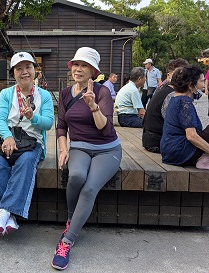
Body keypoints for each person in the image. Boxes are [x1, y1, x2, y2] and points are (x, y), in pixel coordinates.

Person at [52, 47, 122, 270]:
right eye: (76, 64)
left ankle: (67, 240)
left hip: (107, 149)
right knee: (76, 176)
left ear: (93, 71)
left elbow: (106, 129)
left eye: (84, 65)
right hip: (80, 147)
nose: (78, 69)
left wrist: (93, 106)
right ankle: (73, 218)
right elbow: (61, 126)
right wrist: (63, 150)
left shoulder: (102, 92)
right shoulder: (65, 93)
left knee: (90, 188)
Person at [0, 52, 54, 235]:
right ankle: (9, 216)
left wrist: (33, 117)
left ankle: (2, 210)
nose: (24, 72)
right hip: (7, 138)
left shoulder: (45, 96)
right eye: (19, 68)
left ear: (35, 70)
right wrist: (7, 137)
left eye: (28, 67)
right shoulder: (6, 94)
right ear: (13, 73)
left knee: (25, 162)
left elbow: (48, 123)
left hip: (33, 141)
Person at [161, 65, 209, 171]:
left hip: (171, 152)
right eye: (201, 81)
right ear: (191, 85)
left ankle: (205, 157)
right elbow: (191, 136)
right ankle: (205, 158)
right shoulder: (184, 102)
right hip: (180, 152)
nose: (204, 84)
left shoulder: (175, 98)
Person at [142, 58, 189, 153]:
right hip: (157, 142)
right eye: (180, 74)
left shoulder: (163, 89)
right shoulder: (171, 94)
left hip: (150, 139)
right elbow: (174, 123)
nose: (183, 77)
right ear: (170, 75)